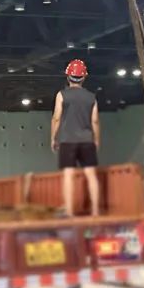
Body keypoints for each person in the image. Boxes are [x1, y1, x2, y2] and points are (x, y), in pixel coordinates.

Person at [50, 59, 101, 217]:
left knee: (68, 176)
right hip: (87, 140)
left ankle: (70, 212)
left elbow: (56, 118)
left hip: (68, 140)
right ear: (84, 77)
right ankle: (95, 212)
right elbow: (95, 121)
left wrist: (53, 138)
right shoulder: (91, 97)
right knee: (91, 175)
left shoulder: (62, 95)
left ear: (68, 76)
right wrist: (96, 139)